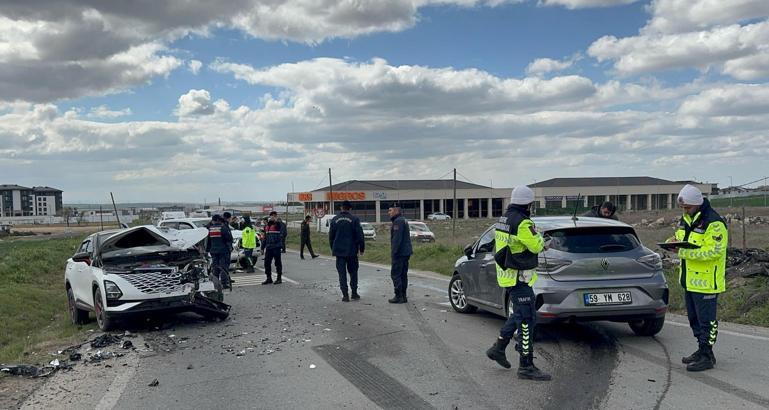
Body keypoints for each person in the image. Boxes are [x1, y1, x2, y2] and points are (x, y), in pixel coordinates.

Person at [485, 186, 551, 381]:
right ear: (528, 204)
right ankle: (526, 365)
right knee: (527, 319)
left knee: (520, 315)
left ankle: (498, 348)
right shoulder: (522, 223)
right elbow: (536, 245)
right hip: (518, 276)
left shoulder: (504, 219)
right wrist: (543, 239)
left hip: (508, 275)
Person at [667, 184, 727, 372]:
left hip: (707, 283)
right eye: (683, 208)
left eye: (688, 207)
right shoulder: (687, 219)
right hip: (689, 281)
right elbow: (681, 236)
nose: (685, 210)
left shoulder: (714, 222)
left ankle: (707, 355)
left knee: (707, 321)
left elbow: (714, 252)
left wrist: (682, 252)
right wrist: (671, 242)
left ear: (698, 204)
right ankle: (701, 349)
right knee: (694, 319)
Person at [329, 201, 365, 302]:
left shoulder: (334, 219)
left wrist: (333, 248)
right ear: (350, 209)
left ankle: (345, 295)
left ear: (341, 208)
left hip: (339, 252)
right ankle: (354, 293)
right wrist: (361, 249)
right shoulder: (354, 219)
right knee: (353, 272)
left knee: (342, 273)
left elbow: (331, 237)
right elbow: (360, 236)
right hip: (352, 251)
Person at [387, 204, 412, 304]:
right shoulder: (403, 220)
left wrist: (394, 252)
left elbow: (397, 239)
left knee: (396, 274)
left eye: (390, 210)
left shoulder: (398, 222)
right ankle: (403, 296)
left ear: (396, 211)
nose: (389, 213)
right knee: (403, 275)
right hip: (406, 252)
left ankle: (399, 296)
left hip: (400, 253)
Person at [206, 214, 233, 289]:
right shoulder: (223, 228)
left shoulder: (210, 229)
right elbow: (229, 238)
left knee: (215, 267)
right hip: (223, 251)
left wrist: (208, 250)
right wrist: (229, 248)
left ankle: (216, 284)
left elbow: (208, 241)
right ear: (219, 220)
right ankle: (224, 283)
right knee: (224, 267)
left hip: (213, 251)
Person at [261, 213, 284, 284]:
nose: (272, 217)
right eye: (271, 216)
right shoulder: (267, 226)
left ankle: (279, 278)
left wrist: (276, 221)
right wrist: (262, 247)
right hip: (269, 247)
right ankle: (269, 278)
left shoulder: (279, 224)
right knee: (266, 263)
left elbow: (282, 231)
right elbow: (265, 238)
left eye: (274, 216)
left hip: (276, 247)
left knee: (277, 263)